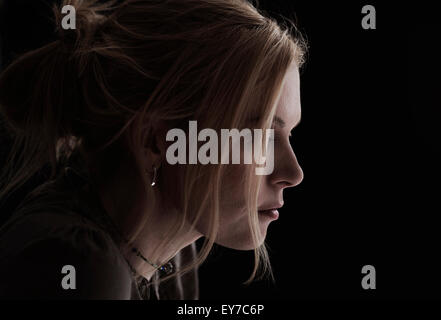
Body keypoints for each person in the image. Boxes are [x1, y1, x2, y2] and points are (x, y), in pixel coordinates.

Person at [0, 0, 306, 299]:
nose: (294, 174)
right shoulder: (80, 267)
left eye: (288, 134)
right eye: (261, 136)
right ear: (154, 141)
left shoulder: (171, 259)